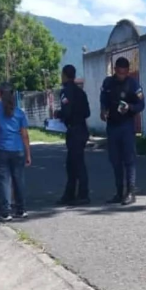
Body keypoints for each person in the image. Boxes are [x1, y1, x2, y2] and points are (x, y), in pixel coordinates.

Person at [100, 57, 145, 205]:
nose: (122, 75)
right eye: (119, 72)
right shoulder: (107, 83)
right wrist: (103, 110)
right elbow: (103, 99)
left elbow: (141, 104)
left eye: (125, 73)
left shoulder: (133, 84)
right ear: (115, 70)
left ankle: (131, 192)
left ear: (128, 71)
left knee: (129, 160)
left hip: (127, 126)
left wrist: (130, 108)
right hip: (112, 126)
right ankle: (119, 193)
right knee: (115, 161)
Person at [0, 83, 31, 221]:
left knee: (3, 180)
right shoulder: (19, 112)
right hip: (18, 149)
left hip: (0, 149)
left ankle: (6, 212)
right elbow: (25, 135)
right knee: (19, 179)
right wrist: (28, 153)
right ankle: (21, 209)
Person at [55, 65, 91, 206]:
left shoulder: (65, 92)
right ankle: (69, 194)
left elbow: (67, 112)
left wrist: (59, 114)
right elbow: (87, 113)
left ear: (64, 75)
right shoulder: (81, 92)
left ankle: (83, 194)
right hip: (82, 129)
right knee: (72, 163)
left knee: (76, 163)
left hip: (74, 130)